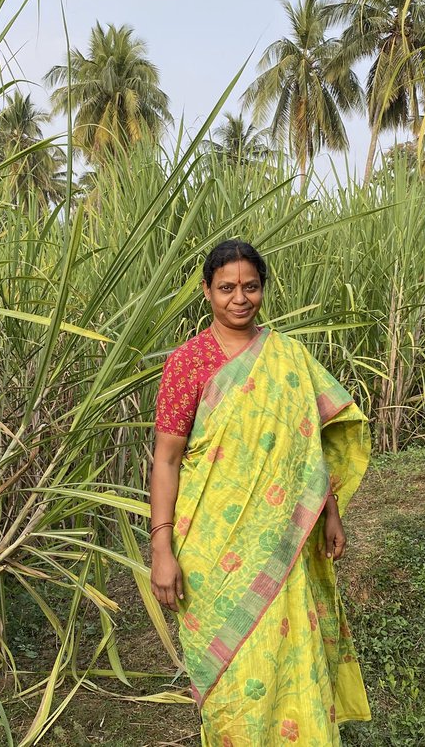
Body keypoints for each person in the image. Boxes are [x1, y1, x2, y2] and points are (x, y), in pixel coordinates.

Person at [149, 239, 372, 746]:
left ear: (263, 290)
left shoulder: (289, 357)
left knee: (292, 654)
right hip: (210, 545)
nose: (239, 298)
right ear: (206, 291)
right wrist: (161, 547)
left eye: (250, 287)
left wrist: (330, 513)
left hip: (282, 542)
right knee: (229, 679)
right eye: (226, 287)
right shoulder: (188, 363)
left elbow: (307, 446)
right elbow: (165, 460)